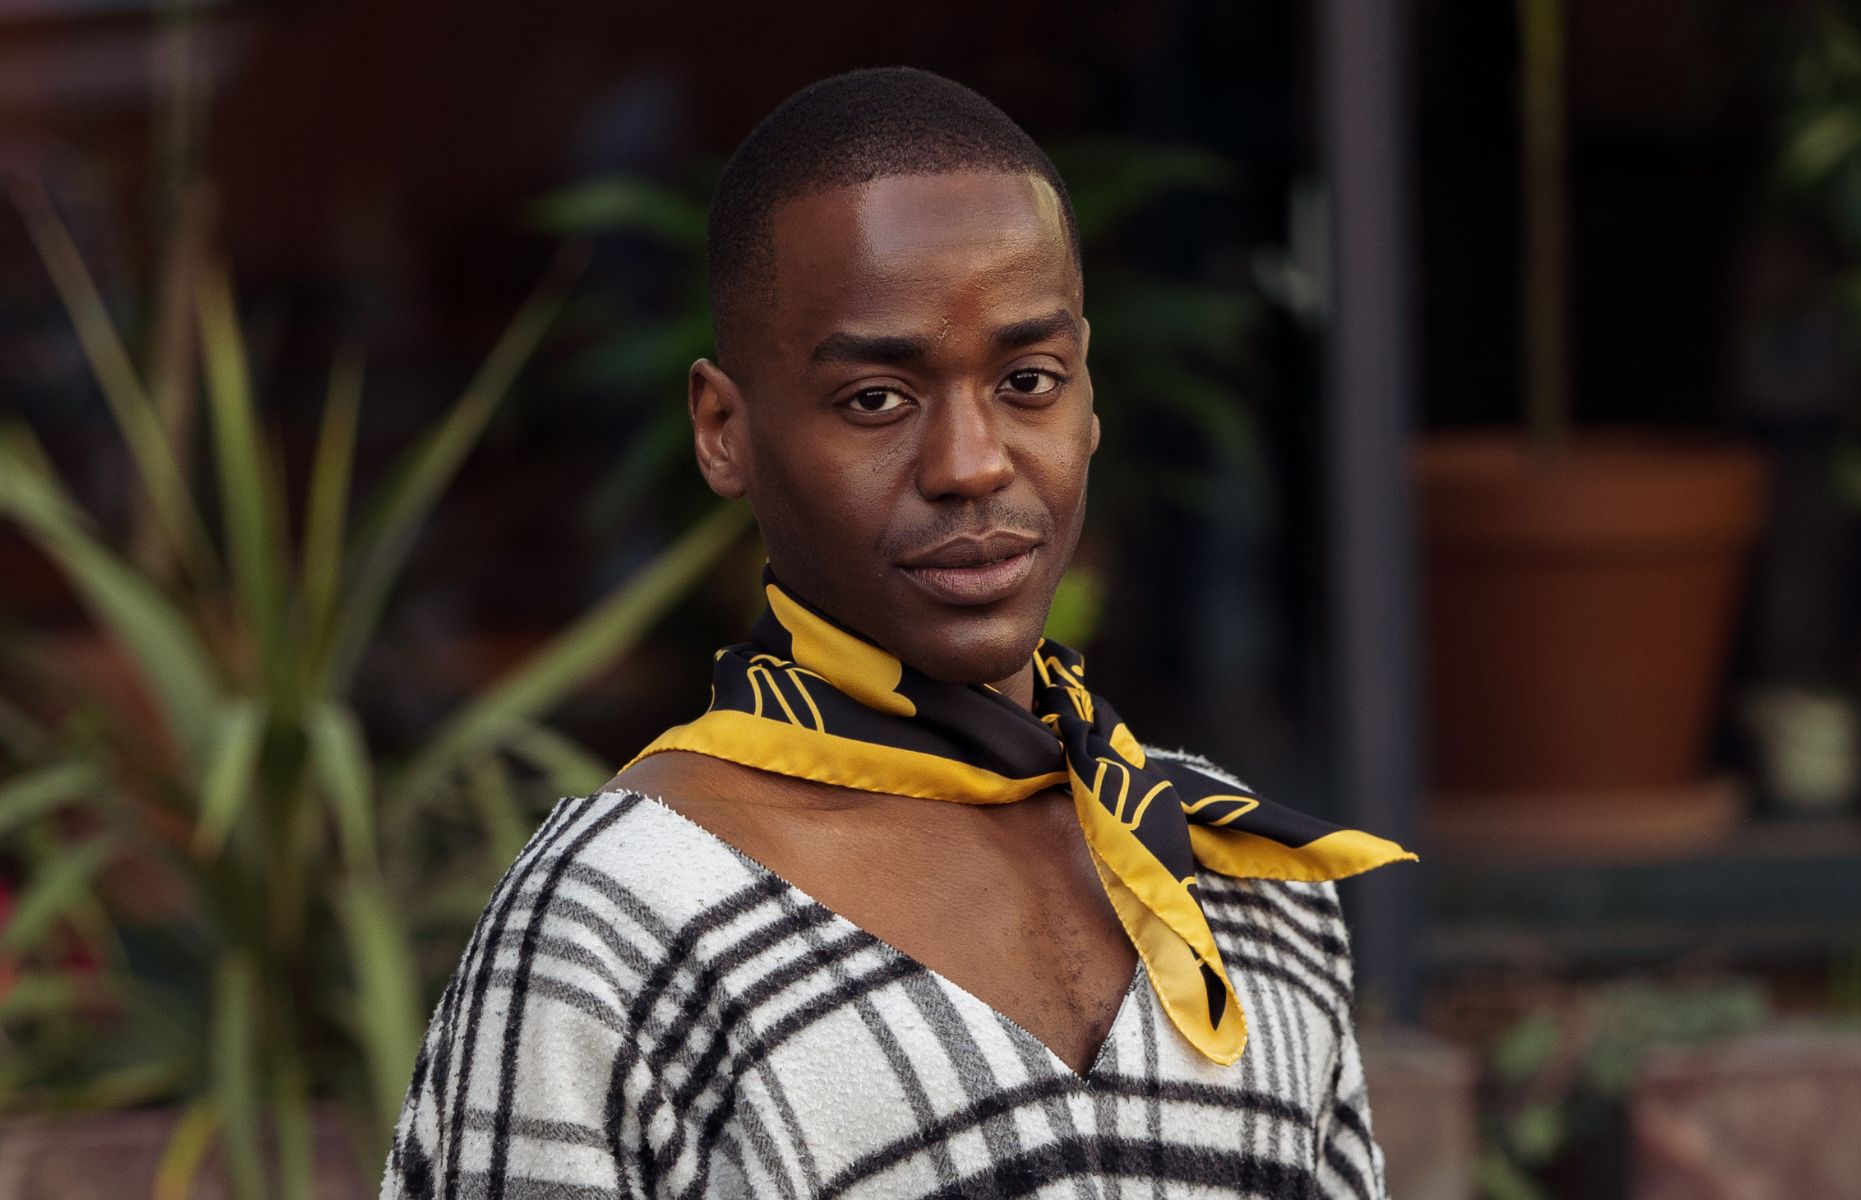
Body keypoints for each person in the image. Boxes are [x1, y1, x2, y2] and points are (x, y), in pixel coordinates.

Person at [380, 66, 1414, 1200]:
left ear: (1089, 400)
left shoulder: (1241, 884)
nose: (971, 463)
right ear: (725, 430)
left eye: (1029, 380)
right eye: (877, 399)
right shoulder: (618, 928)